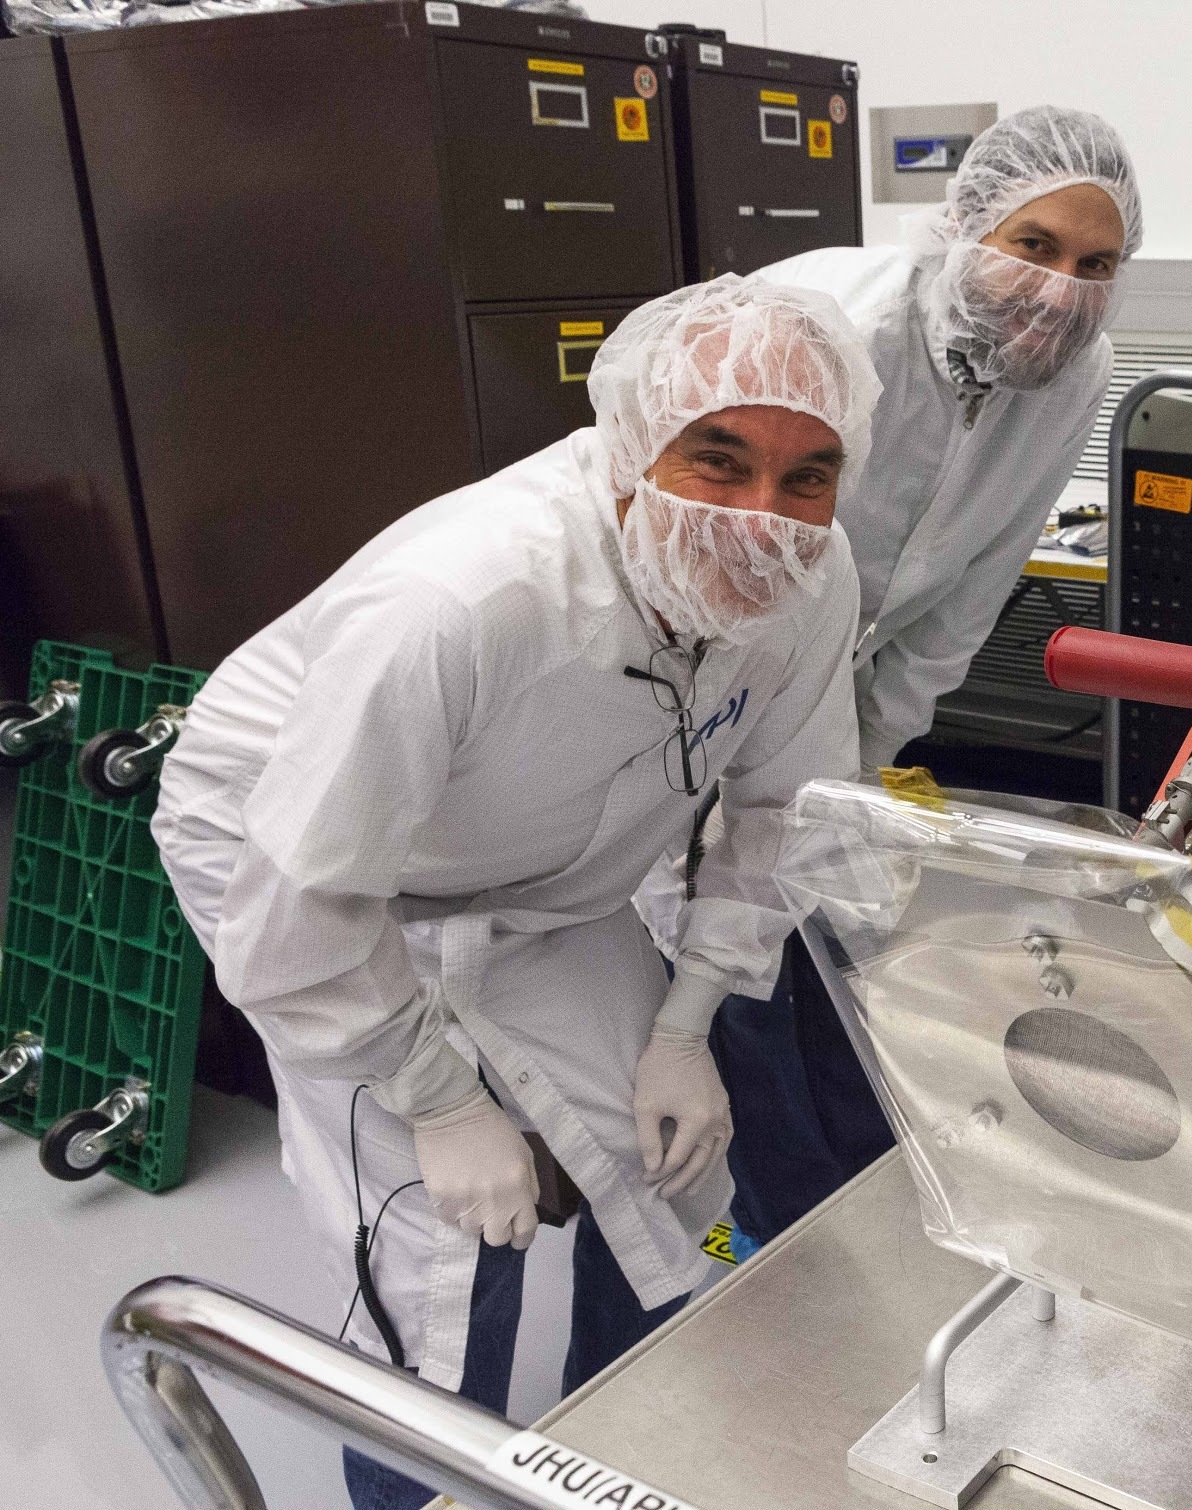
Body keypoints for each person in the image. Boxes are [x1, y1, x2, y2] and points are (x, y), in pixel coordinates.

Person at [150, 276, 878, 1510]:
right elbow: (301, 903)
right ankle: (419, 1481)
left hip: (547, 882)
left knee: (673, 1166)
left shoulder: (807, 577)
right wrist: (440, 1099)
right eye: (718, 459)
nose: (764, 518)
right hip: (308, 871)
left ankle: (617, 1453)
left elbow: (780, 813)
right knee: (446, 1248)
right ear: (628, 448)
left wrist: (689, 1020)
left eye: (807, 475)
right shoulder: (460, 598)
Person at [640, 105, 1144, 1250]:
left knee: (840, 970)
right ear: (963, 222)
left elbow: (968, 594)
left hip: (842, 696)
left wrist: (854, 773)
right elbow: (708, 553)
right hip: (701, 680)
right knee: (722, 988)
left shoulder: (1077, 373)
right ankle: (771, 1255)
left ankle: (857, 1223)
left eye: (1096, 264)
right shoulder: (828, 330)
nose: (1062, 290)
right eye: (1035, 246)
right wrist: (722, 782)